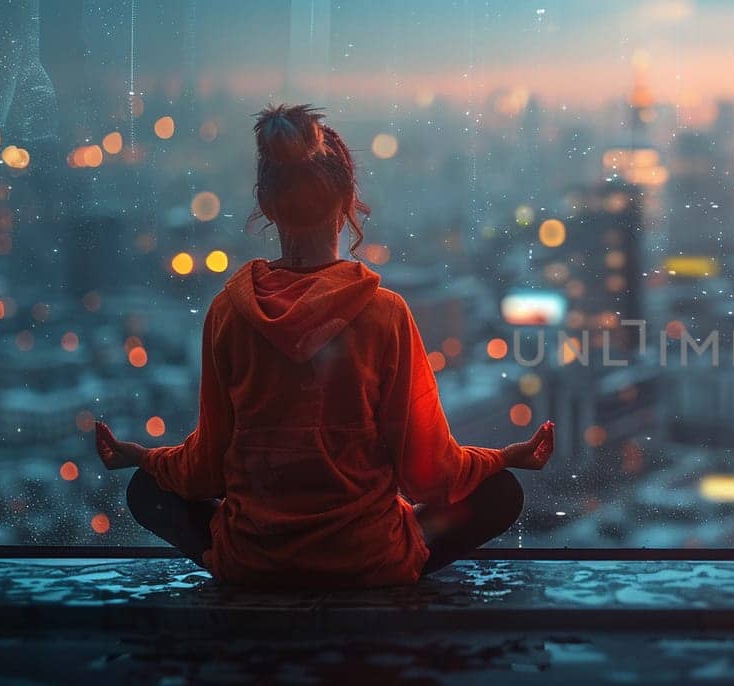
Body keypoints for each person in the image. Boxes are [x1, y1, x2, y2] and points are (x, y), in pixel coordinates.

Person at [94, 104, 553, 588]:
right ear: (348, 199)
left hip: (255, 563)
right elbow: (429, 476)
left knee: (149, 490)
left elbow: (206, 471)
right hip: (371, 562)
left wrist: (142, 457)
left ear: (266, 205)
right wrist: (503, 458)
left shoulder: (229, 313)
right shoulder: (385, 313)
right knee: (499, 493)